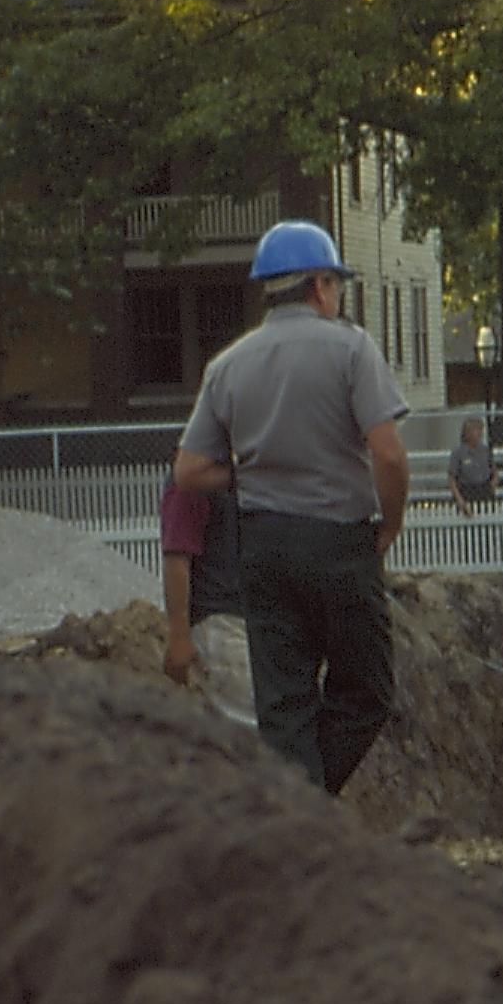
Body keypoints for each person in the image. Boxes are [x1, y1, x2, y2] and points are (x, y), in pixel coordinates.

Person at [172, 220, 411, 795]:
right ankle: (311, 805)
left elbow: (189, 471)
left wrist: (252, 469)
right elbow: (390, 456)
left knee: (284, 707)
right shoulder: (351, 349)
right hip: (338, 542)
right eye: (336, 286)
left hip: (264, 546)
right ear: (319, 284)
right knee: (368, 689)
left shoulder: (228, 365)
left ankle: (297, 818)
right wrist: (392, 523)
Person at [157, 479, 254, 727]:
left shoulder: (244, 473)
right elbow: (177, 557)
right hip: (221, 624)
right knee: (247, 733)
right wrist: (179, 636)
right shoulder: (191, 482)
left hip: (255, 623)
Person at [446, 415, 500, 514]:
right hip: (467, 491)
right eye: (476, 430)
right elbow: (452, 479)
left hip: (484, 489)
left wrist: (492, 486)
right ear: (466, 433)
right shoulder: (458, 453)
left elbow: (494, 470)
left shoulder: (485, 450)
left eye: (480, 430)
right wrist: (460, 500)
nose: (479, 433)